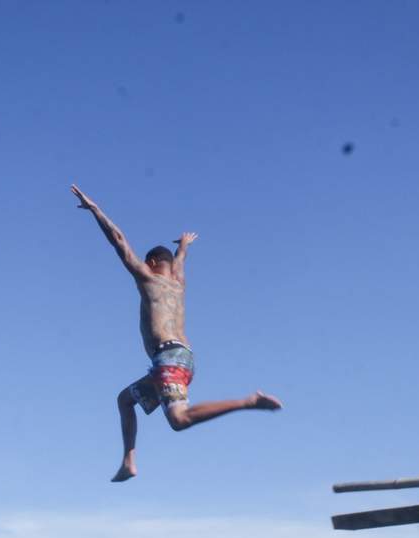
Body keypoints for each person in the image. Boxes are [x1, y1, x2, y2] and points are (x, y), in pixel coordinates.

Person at [71, 184, 282, 482]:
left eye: (147, 262)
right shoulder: (179, 283)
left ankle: (248, 402)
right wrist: (184, 245)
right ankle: (128, 460)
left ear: (153, 264)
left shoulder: (148, 279)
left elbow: (118, 241)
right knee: (125, 399)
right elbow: (179, 260)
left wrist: (95, 210)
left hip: (168, 359)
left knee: (179, 420)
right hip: (181, 358)